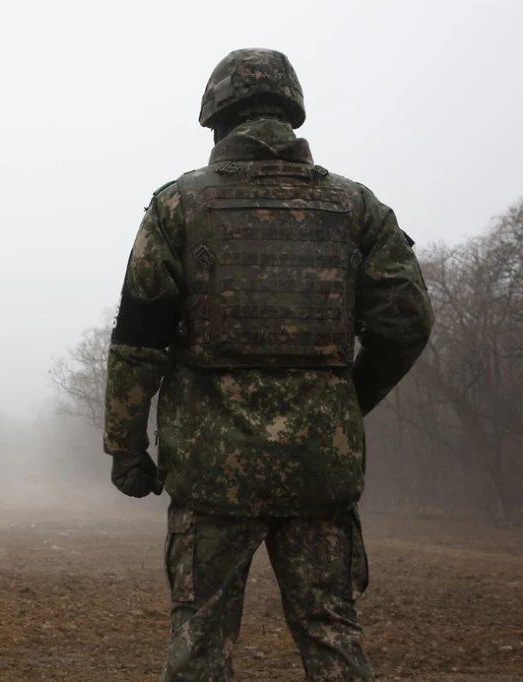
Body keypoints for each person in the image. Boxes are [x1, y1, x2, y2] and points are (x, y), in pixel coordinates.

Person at [103, 47, 434, 682]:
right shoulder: (356, 207)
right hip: (320, 471)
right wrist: (344, 405)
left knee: (200, 642)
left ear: (216, 117)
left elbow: (140, 339)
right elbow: (407, 322)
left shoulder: (178, 207)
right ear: (292, 112)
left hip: (211, 473)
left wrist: (126, 447)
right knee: (331, 635)